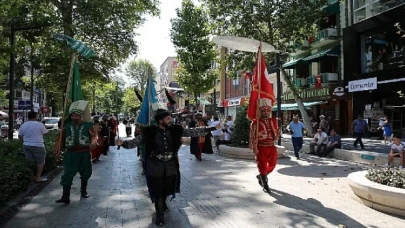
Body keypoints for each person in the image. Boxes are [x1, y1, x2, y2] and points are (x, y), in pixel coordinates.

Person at [116, 109, 217, 226]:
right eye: (168, 118)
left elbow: (192, 132)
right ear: (160, 120)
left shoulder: (175, 130)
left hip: (170, 165)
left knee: (167, 188)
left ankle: (163, 202)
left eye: (170, 118)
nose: (171, 120)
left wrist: (211, 128)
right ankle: (159, 215)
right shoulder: (150, 132)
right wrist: (122, 143)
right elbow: (134, 142)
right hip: (155, 165)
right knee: (157, 189)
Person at [55, 102, 97, 204]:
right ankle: (65, 197)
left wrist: (93, 142)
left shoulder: (88, 126)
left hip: (84, 154)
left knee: (86, 172)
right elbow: (60, 139)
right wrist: (57, 151)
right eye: (72, 115)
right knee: (67, 174)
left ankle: (83, 191)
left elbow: (94, 136)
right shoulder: (67, 126)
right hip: (71, 154)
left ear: (80, 116)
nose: (74, 117)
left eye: (76, 115)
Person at [249, 98, 280, 193]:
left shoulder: (273, 121)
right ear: (261, 111)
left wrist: (277, 136)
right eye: (264, 111)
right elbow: (252, 135)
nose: (266, 112)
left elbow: (277, 131)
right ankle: (265, 184)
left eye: (268, 111)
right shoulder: (255, 122)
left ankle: (261, 176)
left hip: (271, 146)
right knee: (262, 166)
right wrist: (254, 147)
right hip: (261, 147)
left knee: (273, 164)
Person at [18, 111, 48, 183]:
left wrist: (26, 140)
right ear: (36, 116)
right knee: (40, 161)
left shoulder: (23, 125)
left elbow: (20, 136)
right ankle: (38, 178)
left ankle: (32, 177)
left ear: (28, 117)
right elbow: (46, 133)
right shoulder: (39, 125)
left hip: (26, 145)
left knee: (29, 162)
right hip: (38, 145)